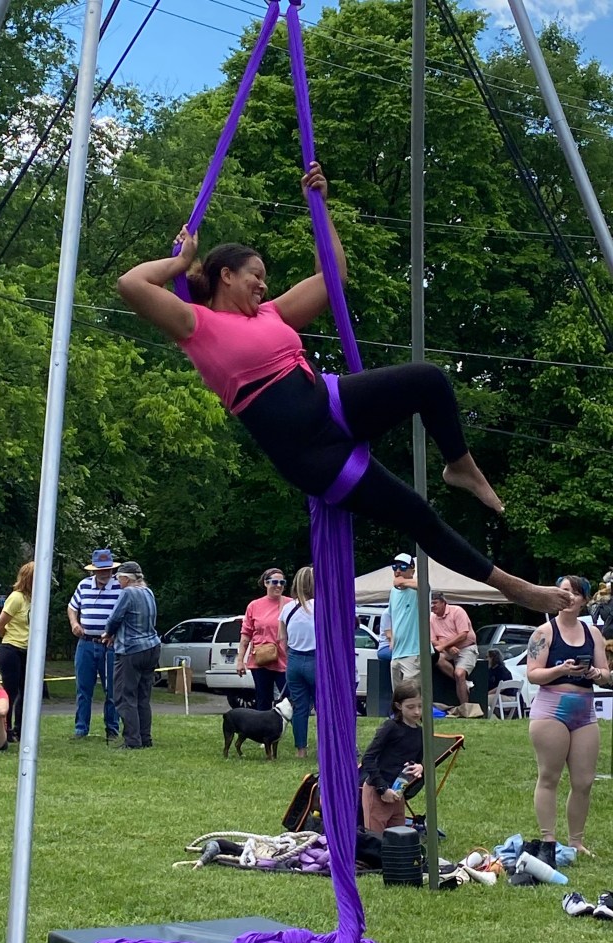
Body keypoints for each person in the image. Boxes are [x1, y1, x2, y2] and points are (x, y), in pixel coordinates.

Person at [117, 161, 569, 616]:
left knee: (428, 379)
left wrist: (320, 209)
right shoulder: (197, 325)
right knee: (416, 513)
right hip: (313, 454)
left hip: (330, 401)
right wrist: (179, 261)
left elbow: (334, 277)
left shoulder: (271, 314)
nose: (263, 283)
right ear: (226, 275)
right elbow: (131, 283)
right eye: (255, 273)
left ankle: (460, 464)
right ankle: (516, 588)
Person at [526, 574, 611, 855]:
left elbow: (606, 674)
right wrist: (561, 670)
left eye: (575, 593)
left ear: (585, 600)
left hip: (584, 710)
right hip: (552, 708)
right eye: (563, 591)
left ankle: (576, 841)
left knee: (583, 781)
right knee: (549, 776)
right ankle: (549, 839)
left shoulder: (593, 633)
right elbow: (533, 674)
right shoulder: (543, 633)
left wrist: (594, 673)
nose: (569, 597)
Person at [101, 560, 161, 750]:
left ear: (126, 578)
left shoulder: (127, 593)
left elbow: (115, 617)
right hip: (152, 647)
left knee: (125, 696)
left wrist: (108, 634)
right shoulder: (148, 592)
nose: (118, 582)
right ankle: (145, 738)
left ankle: (132, 741)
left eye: (119, 578)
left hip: (131, 650)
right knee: (143, 696)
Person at [67, 549, 122, 740]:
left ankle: (112, 730)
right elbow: (72, 607)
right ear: (94, 571)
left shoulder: (119, 587)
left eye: (108, 569)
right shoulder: (83, 585)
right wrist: (74, 623)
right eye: (101, 570)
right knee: (83, 688)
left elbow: (125, 613)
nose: (105, 573)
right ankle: (81, 729)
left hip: (110, 645)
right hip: (86, 643)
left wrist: (117, 634)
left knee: (113, 689)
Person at [360, 681, 424, 832]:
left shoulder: (420, 732)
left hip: (398, 793)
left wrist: (420, 766)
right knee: (376, 840)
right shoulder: (390, 727)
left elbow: (420, 760)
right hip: (377, 791)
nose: (416, 712)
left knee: (397, 839)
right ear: (398, 705)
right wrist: (383, 788)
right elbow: (368, 758)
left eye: (420, 706)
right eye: (411, 707)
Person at [236, 568, 293, 711]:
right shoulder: (254, 606)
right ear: (266, 583)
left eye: (282, 582)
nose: (279, 585)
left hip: (285, 660)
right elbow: (245, 635)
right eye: (274, 582)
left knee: (290, 698)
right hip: (261, 660)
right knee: (263, 699)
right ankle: (263, 732)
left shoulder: (292, 604)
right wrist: (240, 661)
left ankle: (296, 731)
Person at [0, 560, 33, 742]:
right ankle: (5, 730)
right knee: (10, 691)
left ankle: (21, 729)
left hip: (29, 651)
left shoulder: (36, 600)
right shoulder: (17, 598)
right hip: (11, 649)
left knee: (28, 692)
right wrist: (10, 639)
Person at [279, 566, 316, 758]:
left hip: (293, 661)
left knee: (300, 708)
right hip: (316, 660)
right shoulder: (321, 606)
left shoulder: (287, 608)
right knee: (323, 707)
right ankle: (327, 746)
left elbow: (282, 638)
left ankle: (300, 750)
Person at [429, 591, 478, 706]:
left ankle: (465, 708)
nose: (432, 606)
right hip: (447, 650)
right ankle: (464, 683)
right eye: (430, 603)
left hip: (466, 648)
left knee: (459, 673)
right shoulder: (431, 618)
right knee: (437, 658)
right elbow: (432, 640)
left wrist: (445, 646)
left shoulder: (457, 611)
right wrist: (448, 647)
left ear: (443, 602)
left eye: (435, 603)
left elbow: (463, 634)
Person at [388, 554, 423, 688]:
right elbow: (391, 616)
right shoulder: (393, 592)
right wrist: (391, 637)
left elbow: (425, 585)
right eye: (395, 567)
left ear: (412, 571)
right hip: (396, 652)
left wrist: (401, 582)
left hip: (413, 653)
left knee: (411, 693)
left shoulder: (418, 591)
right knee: (397, 696)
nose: (398, 571)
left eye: (403, 567)